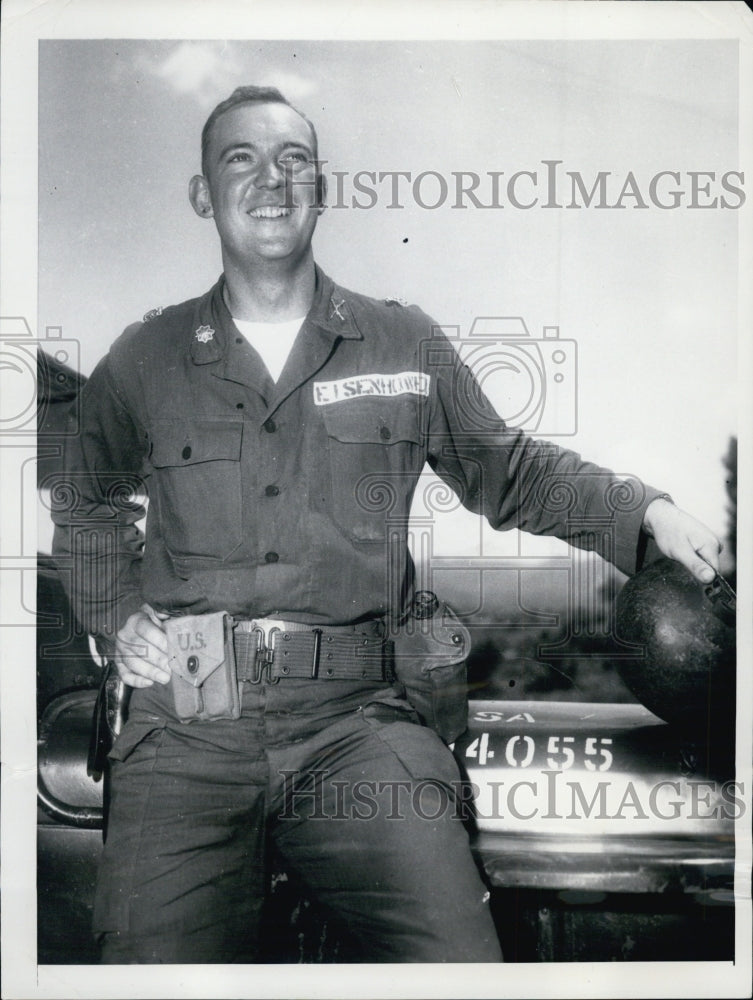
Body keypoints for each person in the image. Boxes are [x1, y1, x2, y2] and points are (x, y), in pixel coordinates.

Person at [52, 85, 722, 964]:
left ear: (321, 187)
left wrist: (647, 516)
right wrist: (116, 614)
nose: (270, 180)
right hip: (184, 734)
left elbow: (510, 471)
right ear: (202, 193)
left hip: (357, 728)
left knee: (459, 961)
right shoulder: (146, 358)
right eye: (240, 159)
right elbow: (83, 499)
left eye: (293, 159)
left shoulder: (399, 345)